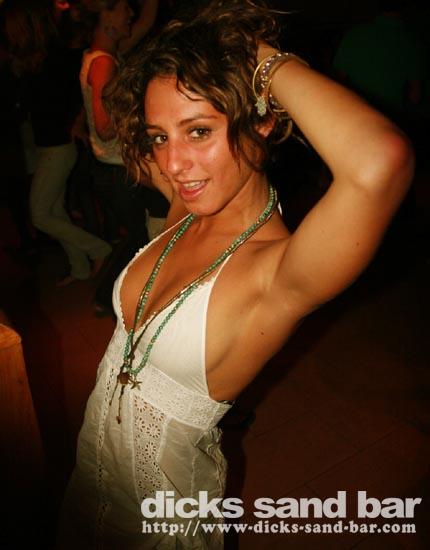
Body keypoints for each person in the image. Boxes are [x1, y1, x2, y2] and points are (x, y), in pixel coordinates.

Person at [57, 0, 413, 547]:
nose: (174, 164)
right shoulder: (186, 202)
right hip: (86, 483)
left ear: (261, 119)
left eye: (199, 131)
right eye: (161, 137)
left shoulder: (275, 273)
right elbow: (118, 136)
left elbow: (378, 162)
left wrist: (255, 55)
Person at [3, 0, 112, 286]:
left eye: (10, 29)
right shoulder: (39, 58)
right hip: (50, 145)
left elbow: (68, 97)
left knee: (39, 214)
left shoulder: (50, 58)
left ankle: (99, 249)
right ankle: (80, 268)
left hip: (58, 146)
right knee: (54, 210)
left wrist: (75, 122)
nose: (7, 34)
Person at [78, 0, 167, 315]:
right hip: (120, 171)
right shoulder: (104, 63)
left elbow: (144, 23)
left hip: (113, 169)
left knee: (143, 236)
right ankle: (110, 299)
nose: (130, 13)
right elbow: (105, 128)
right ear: (105, 15)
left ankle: (116, 298)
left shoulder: (101, 54)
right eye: (123, 8)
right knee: (143, 239)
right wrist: (146, 115)